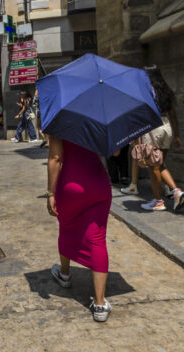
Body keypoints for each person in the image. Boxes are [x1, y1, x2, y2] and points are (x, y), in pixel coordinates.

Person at [47, 136, 112, 322]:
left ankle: (65, 273)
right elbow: (113, 152)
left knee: (66, 227)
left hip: (70, 184)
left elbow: (55, 158)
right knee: (97, 239)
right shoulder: (98, 118)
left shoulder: (59, 118)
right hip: (98, 183)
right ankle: (100, 304)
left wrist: (50, 193)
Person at [122, 67, 184, 211]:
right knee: (159, 164)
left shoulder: (146, 92)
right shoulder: (166, 92)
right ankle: (175, 193)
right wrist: (176, 136)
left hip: (153, 129)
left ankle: (160, 200)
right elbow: (173, 115)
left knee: (153, 166)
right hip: (166, 127)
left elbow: (141, 115)